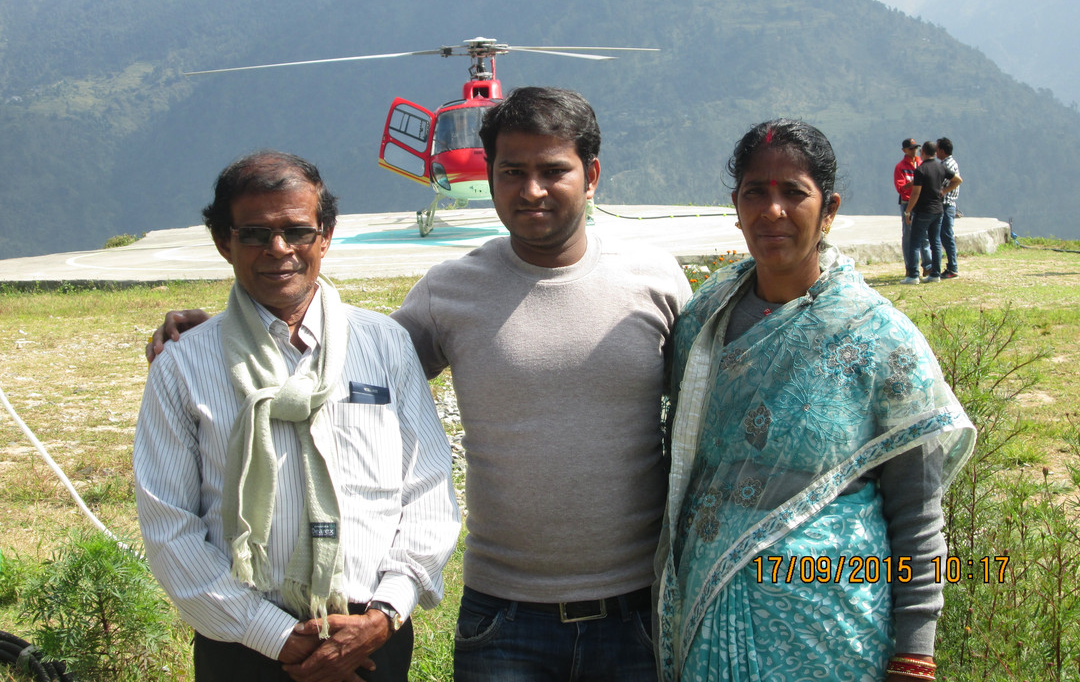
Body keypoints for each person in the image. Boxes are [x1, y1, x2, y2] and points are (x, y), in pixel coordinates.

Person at [148, 88, 693, 682]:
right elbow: (328, 361)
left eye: (553, 171)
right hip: (505, 615)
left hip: (641, 603)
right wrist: (219, 337)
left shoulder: (658, 281)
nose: (531, 190)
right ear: (489, 175)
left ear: (591, 175)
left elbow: (708, 402)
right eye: (512, 171)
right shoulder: (446, 292)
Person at [656, 120, 975, 682]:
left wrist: (915, 653)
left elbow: (917, 509)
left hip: (832, 635)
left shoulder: (876, 335)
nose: (772, 210)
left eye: (793, 192)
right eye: (755, 192)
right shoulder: (704, 323)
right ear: (736, 206)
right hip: (707, 621)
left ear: (828, 210)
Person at [134, 151, 460, 682]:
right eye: (255, 234)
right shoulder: (184, 365)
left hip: (370, 637)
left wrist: (385, 614)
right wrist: (274, 636)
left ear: (325, 236)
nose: (279, 249)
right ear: (223, 242)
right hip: (243, 642)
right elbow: (168, 523)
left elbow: (427, 489)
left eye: (297, 231)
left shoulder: (385, 345)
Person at [903, 140, 961, 284]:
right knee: (935, 242)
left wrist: (908, 211)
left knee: (915, 242)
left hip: (923, 210)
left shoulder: (920, 170)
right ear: (935, 153)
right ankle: (935, 274)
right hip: (938, 210)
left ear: (923, 152)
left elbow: (916, 193)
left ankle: (913, 275)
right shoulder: (941, 167)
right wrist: (944, 191)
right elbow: (958, 180)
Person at [893, 138, 930, 279]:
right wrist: (914, 183)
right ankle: (910, 267)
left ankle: (928, 266)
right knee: (908, 235)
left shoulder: (921, 164)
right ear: (904, 150)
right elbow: (900, 188)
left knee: (924, 234)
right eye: (911, 148)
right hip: (907, 202)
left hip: (922, 202)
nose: (914, 151)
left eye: (916, 148)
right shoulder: (900, 167)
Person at [935, 137, 962, 279]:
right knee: (945, 235)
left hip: (946, 204)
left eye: (937, 148)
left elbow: (950, 182)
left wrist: (943, 191)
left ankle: (952, 267)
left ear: (942, 150)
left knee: (946, 236)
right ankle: (951, 266)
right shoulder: (948, 163)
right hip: (947, 204)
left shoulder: (947, 165)